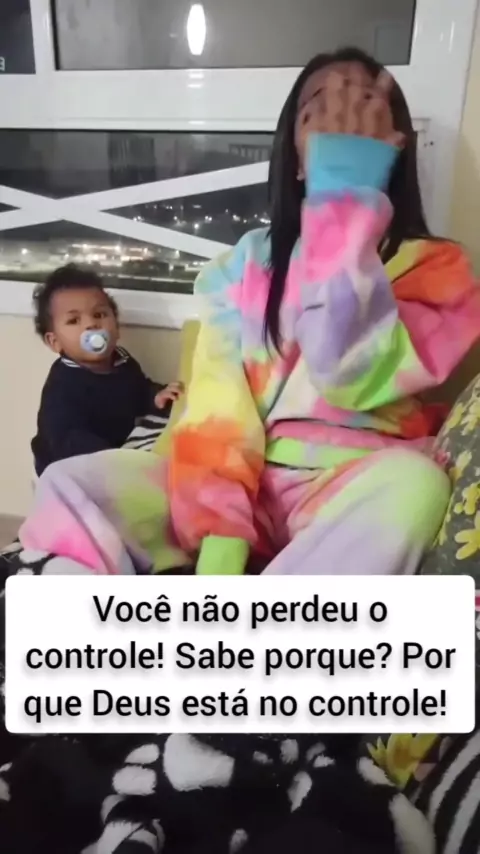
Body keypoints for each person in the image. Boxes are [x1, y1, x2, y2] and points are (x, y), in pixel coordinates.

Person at [19, 47, 480, 576]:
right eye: (319, 110)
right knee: (69, 482)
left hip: (348, 484)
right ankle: (92, 621)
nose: (341, 120)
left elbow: (349, 376)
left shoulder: (439, 269)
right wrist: (220, 547)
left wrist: (347, 192)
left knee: (418, 486)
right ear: (296, 159)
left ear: (393, 147)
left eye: (363, 106)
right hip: (237, 483)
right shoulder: (241, 264)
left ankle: (248, 622)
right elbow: (220, 403)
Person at [31, 264, 183, 476]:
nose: (91, 325)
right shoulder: (63, 385)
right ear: (55, 341)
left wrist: (156, 396)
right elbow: (66, 437)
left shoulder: (123, 361)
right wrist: (109, 460)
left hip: (116, 451)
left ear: (117, 328)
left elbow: (138, 390)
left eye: (99, 314)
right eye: (74, 320)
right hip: (66, 465)